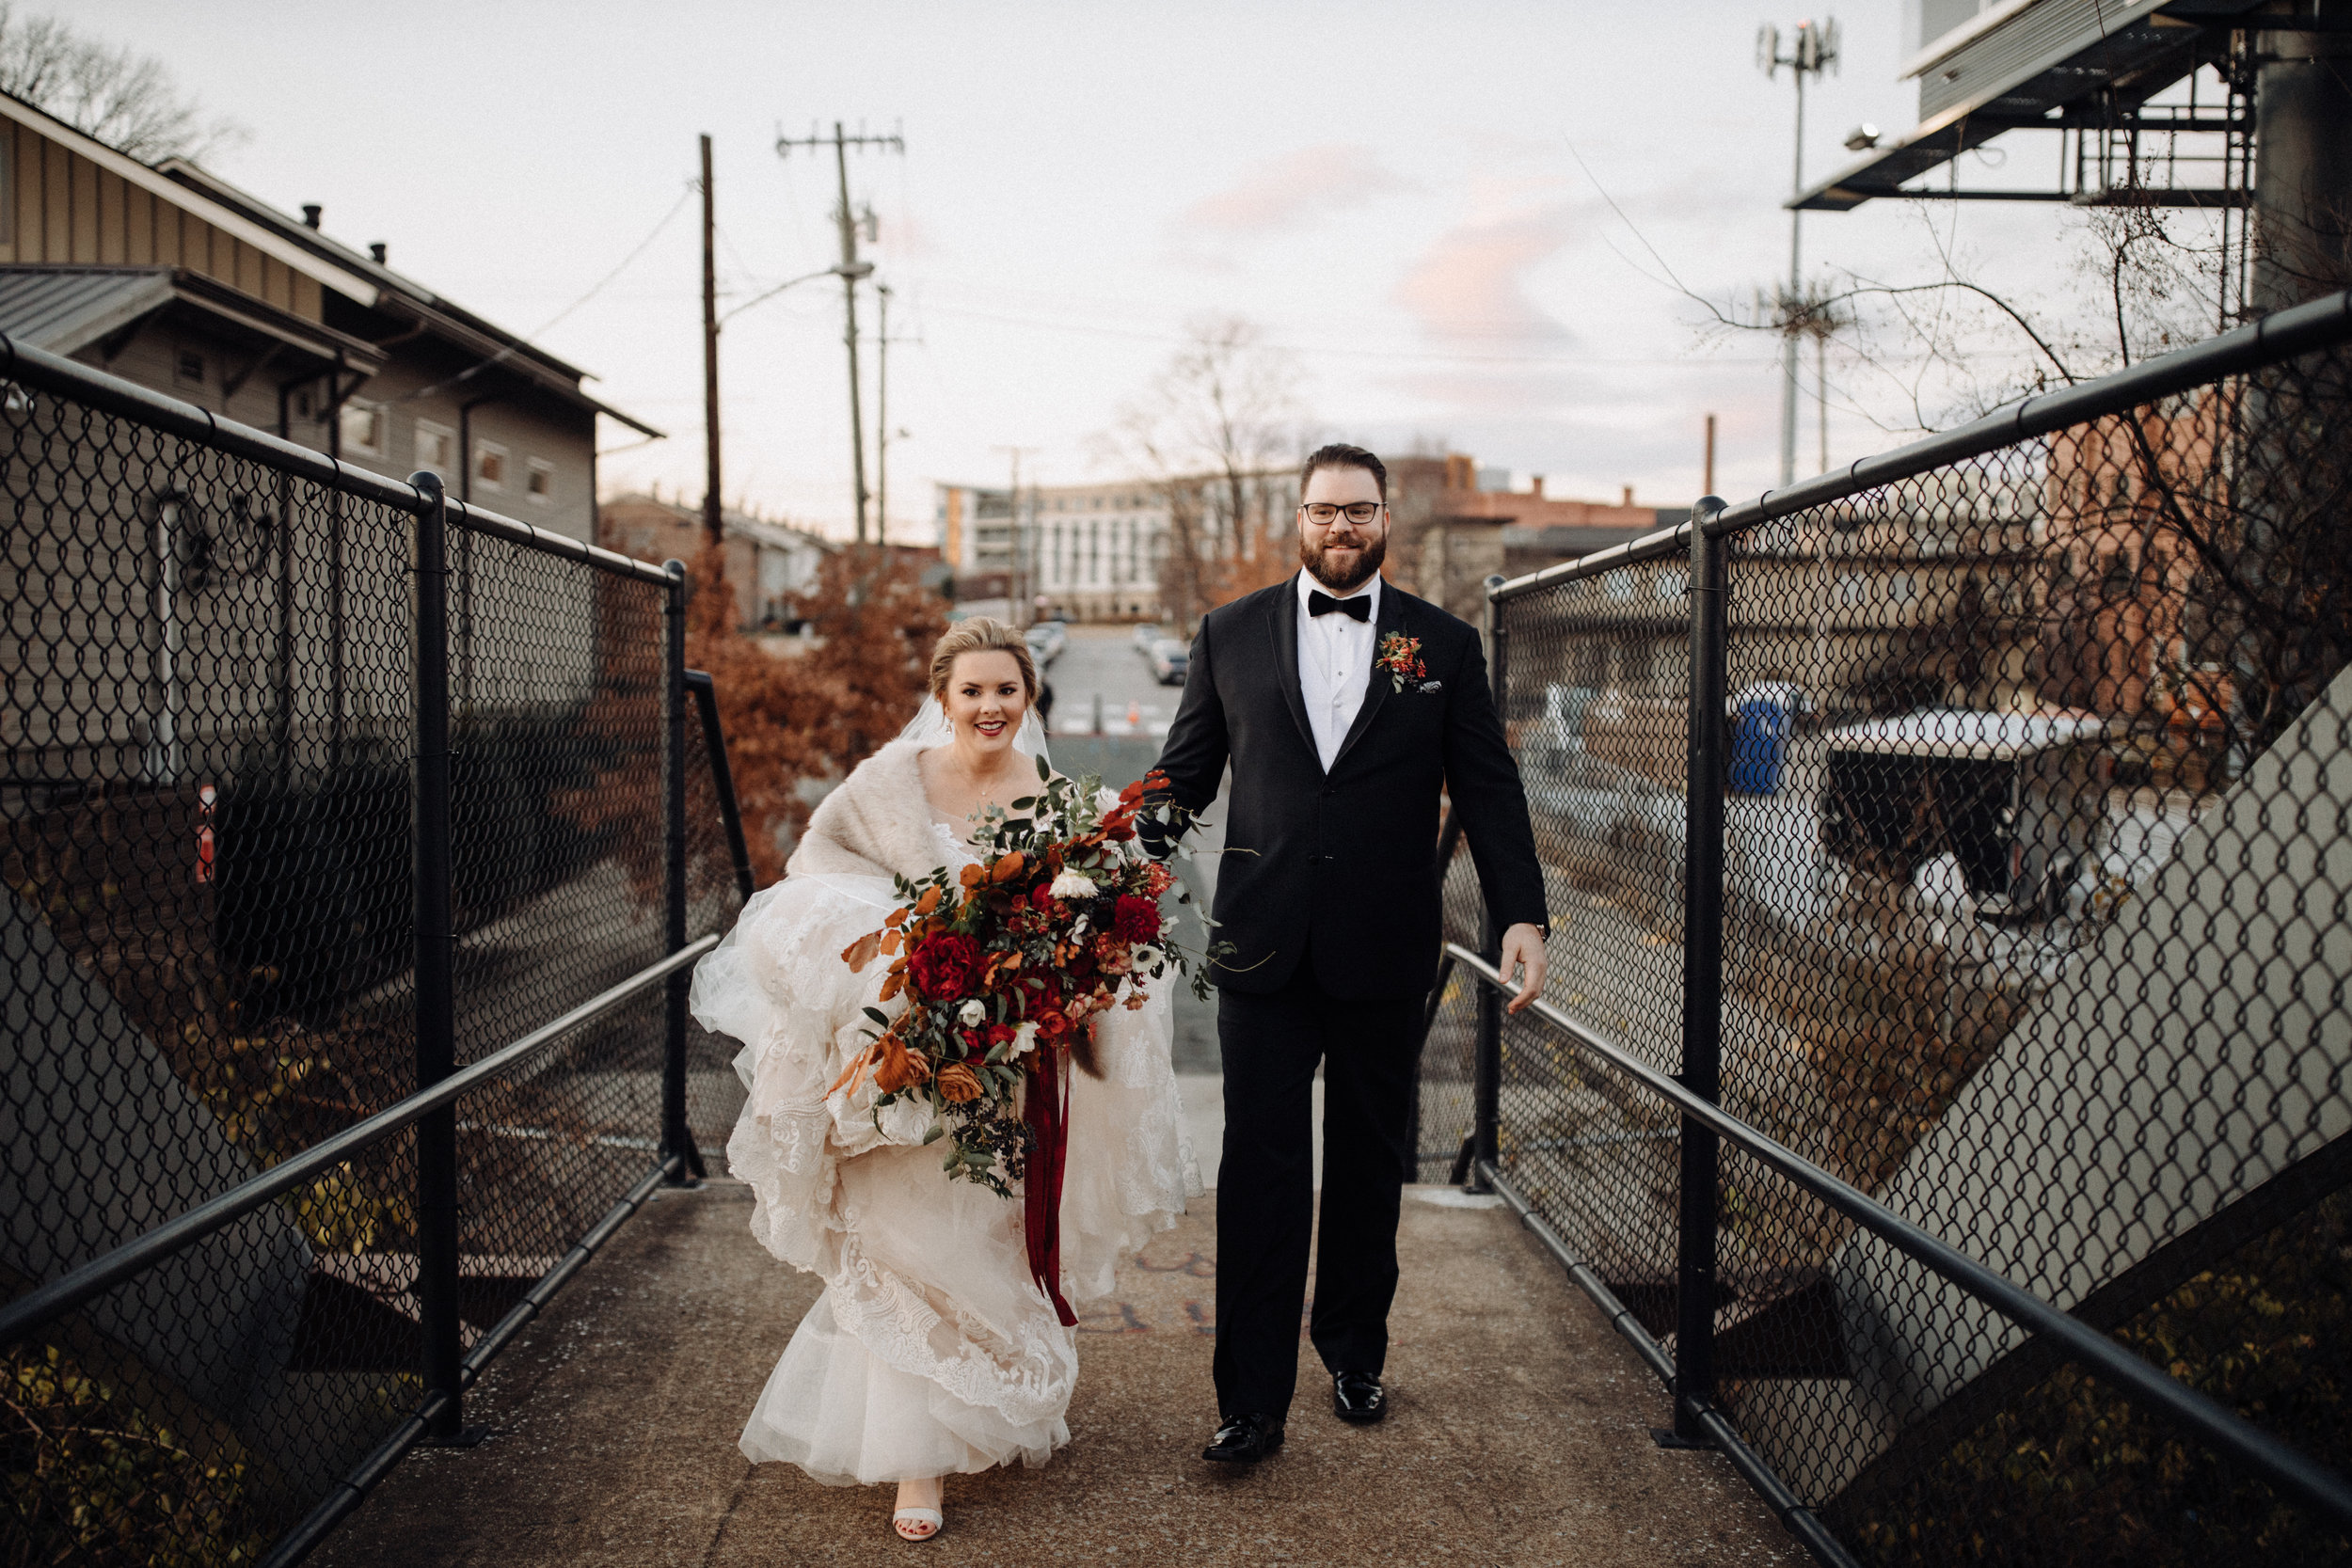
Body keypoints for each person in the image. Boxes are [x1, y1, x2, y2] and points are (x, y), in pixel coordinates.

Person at [690, 617, 1199, 1542]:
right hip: (903, 1056)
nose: (990, 706)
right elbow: (819, 864)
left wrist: (1056, 979)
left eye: (1006, 689)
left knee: (984, 1240)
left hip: (1003, 1064)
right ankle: (912, 1463)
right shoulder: (888, 782)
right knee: (903, 1241)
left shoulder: (1055, 797)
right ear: (944, 695)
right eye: (972, 690)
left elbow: (1085, 929)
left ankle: (980, 1415)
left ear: (1027, 696)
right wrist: (906, 942)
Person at [1148, 442, 1549, 1464]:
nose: (1341, 527)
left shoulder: (1443, 645)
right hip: (1261, 944)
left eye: (1359, 511)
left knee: (1369, 1161)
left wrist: (1522, 914)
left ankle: (1354, 1348)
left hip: (1384, 942)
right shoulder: (1228, 632)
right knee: (1261, 1171)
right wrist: (1095, 870)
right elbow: (1183, 776)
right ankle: (1248, 1399)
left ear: (1384, 520)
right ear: (1298, 517)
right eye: (1324, 510)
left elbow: (1489, 787)